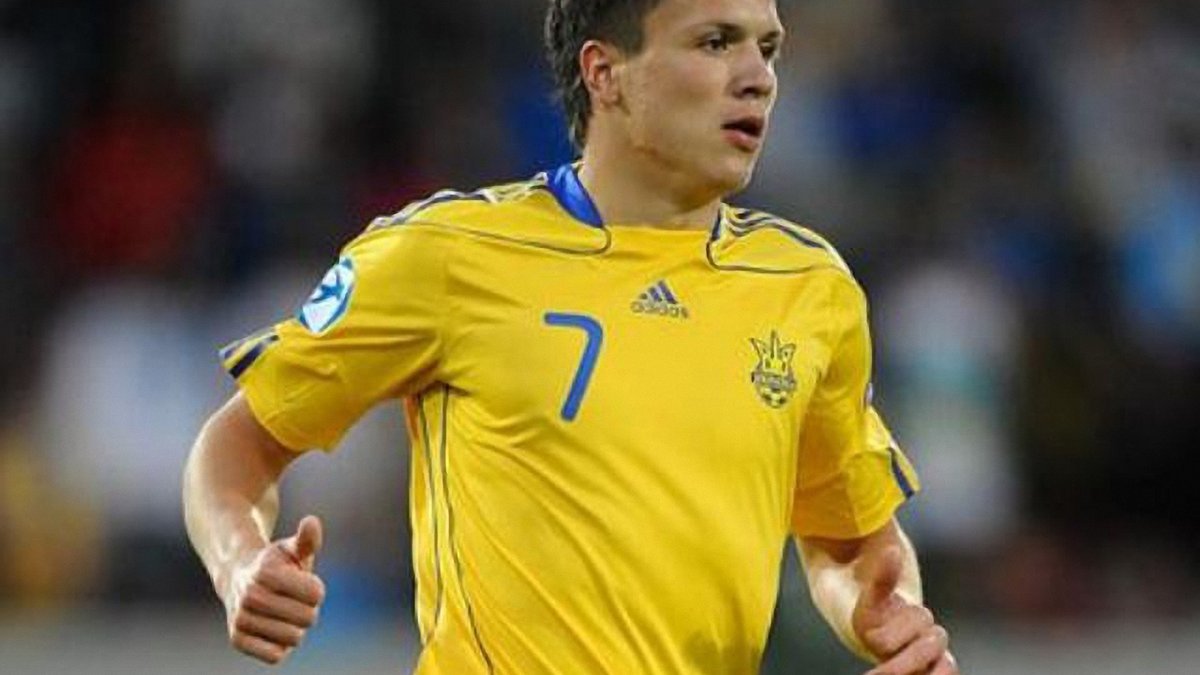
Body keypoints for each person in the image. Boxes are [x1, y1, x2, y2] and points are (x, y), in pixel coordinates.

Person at [183, 0, 959, 673]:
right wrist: (240, 560)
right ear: (605, 73)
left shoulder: (808, 289)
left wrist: (884, 610)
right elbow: (238, 447)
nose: (758, 76)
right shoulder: (451, 255)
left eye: (768, 47)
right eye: (716, 42)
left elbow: (851, 541)